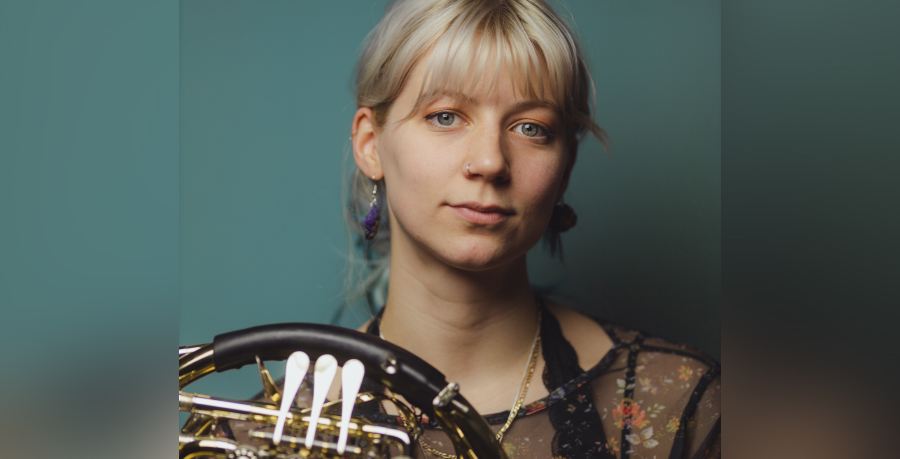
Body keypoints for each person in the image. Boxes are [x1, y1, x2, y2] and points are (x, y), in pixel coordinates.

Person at [339, 1, 721, 458]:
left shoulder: (683, 404)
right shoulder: (268, 430)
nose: (490, 161)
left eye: (530, 128)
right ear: (370, 145)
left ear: (564, 170)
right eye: (446, 116)